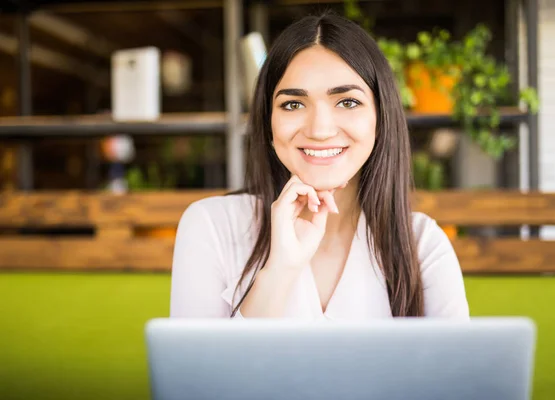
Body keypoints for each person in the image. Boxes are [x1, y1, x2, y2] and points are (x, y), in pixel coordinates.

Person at [170, 12, 469, 320]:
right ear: (268, 122)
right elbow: (200, 369)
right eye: (293, 104)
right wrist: (279, 269)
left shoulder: (422, 245)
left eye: (348, 102)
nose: (320, 129)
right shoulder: (211, 226)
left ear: (380, 118)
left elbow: (459, 368)